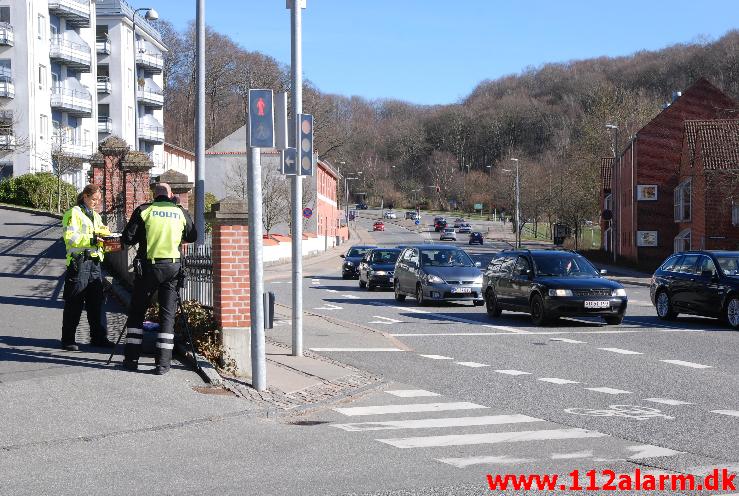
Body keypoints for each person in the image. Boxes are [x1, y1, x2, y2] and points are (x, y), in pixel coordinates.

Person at [121, 183, 197, 374]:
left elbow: (128, 238)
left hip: (148, 268)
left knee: (137, 312)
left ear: (154, 195)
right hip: (172, 268)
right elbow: (193, 235)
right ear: (171, 195)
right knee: (167, 315)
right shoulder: (180, 212)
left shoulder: (145, 210)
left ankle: (131, 360)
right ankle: (163, 364)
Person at [61, 184, 114, 351]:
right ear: (85, 196)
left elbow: (101, 231)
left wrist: (108, 237)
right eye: (93, 199)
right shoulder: (73, 213)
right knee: (74, 302)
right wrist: (93, 239)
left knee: (95, 303)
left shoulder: (96, 216)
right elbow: (70, 238)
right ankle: (68, 339)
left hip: (95, 264)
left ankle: (98, 337)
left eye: (98, 200)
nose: (96, 203)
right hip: (79, 263)